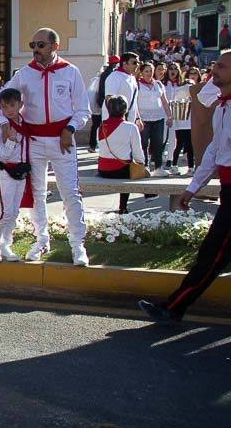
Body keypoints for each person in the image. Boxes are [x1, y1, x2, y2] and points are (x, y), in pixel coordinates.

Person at [139, 50, 231, 322]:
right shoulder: (221, 108)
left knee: (213, 254)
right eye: (215, 65)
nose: (214, 70)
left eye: (222, 67)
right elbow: (214, 152)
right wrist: (192, 189)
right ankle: (174, 307)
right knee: (212, 253)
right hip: (228, 189)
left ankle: (174, 307)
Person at [0, 27, 91, 266]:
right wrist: (4, 124)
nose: (36, 50)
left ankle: (78, 245)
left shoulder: (70, 72)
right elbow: (0, 100)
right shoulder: (25, 74)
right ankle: (41, 240)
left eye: (40, 45)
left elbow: (83, 110)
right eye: (33, 45)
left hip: (62, 142)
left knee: (70, 192)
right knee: (37, 194)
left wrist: (70, 129)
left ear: (54, 46)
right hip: (34, 142)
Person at [0, 87, 33, 262]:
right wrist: (11, 141)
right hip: (5, 172)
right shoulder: (0, 130)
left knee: (14, 212)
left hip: (20, 172)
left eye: (12, 105)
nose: (9, 110)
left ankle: (6, 244)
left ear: (20, 104)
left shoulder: (23, 124)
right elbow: (0, 155)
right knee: (5, 212)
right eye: (5, 107)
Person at [95, 94, 145, 214]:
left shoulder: (101, 127)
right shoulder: (131, 127)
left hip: (102, 169)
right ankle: (123, 207)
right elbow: (138, 153)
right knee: (130, 168)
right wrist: (142, 165)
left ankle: (125, 206)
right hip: (120, 170)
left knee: (126, 166)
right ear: (125, 109)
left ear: (108, 109)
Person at [136, 61, 171, 174]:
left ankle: (158, 168)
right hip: (144, 118)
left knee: (158, 143)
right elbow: (135, 103)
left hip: (158, 118)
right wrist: (137, 118)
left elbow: (164, 102)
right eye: (146, 71)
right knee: (143, 144)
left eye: (151, 71)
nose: (149, 73)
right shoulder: (137, 84)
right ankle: (145, 167)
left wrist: (169, 116)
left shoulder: (159, 84)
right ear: (141, 72)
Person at [87, 56, 120, 152]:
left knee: (96, 125)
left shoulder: (104, 74)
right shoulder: (112, 75)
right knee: (105, 125)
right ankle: (104, 146)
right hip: (106, 103)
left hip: (98, 102)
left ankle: (92, 145)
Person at [102, 53, 141, 124]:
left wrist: (138, 118)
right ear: (124, 63)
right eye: (134, 63)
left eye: (138, 63)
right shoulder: (114, 77)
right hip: (114, 121)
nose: (137, 65)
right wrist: (116, 119)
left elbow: (134, 101)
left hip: (129, 120)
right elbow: (109, 98)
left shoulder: (132, 78)